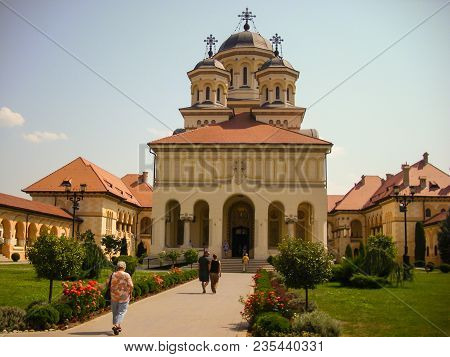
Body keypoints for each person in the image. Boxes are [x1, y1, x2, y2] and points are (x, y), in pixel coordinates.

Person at [109, 261, 133, 335]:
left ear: (117, 267)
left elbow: (108, 283)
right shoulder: (126, 275)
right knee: (121, 312)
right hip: (124, 296)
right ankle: (116, 325)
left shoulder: (113, 274)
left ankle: (117, 325)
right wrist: (130, 293)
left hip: (114, 296)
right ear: (124, 267)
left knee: (115, 311)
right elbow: (131, 285)